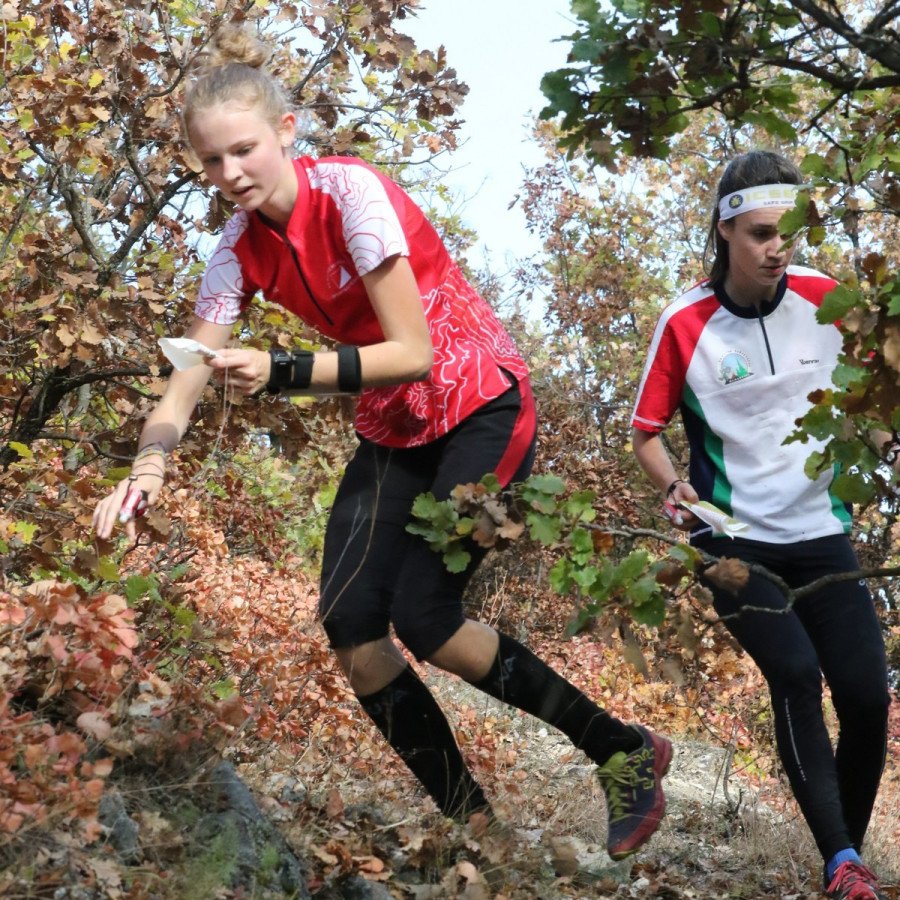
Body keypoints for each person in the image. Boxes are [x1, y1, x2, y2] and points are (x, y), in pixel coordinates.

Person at [92, 24, 671, 859]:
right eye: (211, 162)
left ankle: (620, 749)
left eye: (245, 150)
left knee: (425, 617)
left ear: (286, 133)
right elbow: (186, 371)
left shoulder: (352, 196)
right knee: (353, 628)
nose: (231, 175)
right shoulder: (236, 248)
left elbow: (413, 352)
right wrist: (146, 470)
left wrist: (283, 369)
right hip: (395, 426)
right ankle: (481, 836)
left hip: (478, 404)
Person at [631, 150, 893, 899]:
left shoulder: (824, 297)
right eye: (760, 233)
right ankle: (842, 861)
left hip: (821, 533)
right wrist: (676, 488)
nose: (777, 247)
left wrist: (888, 444)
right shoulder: (684, 321)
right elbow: (645, 433)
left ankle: (845, 861)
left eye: (788, 232)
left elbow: (865, 404)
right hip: (733, 540)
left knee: (869, 698)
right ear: (725, 231)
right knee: (795, 674)